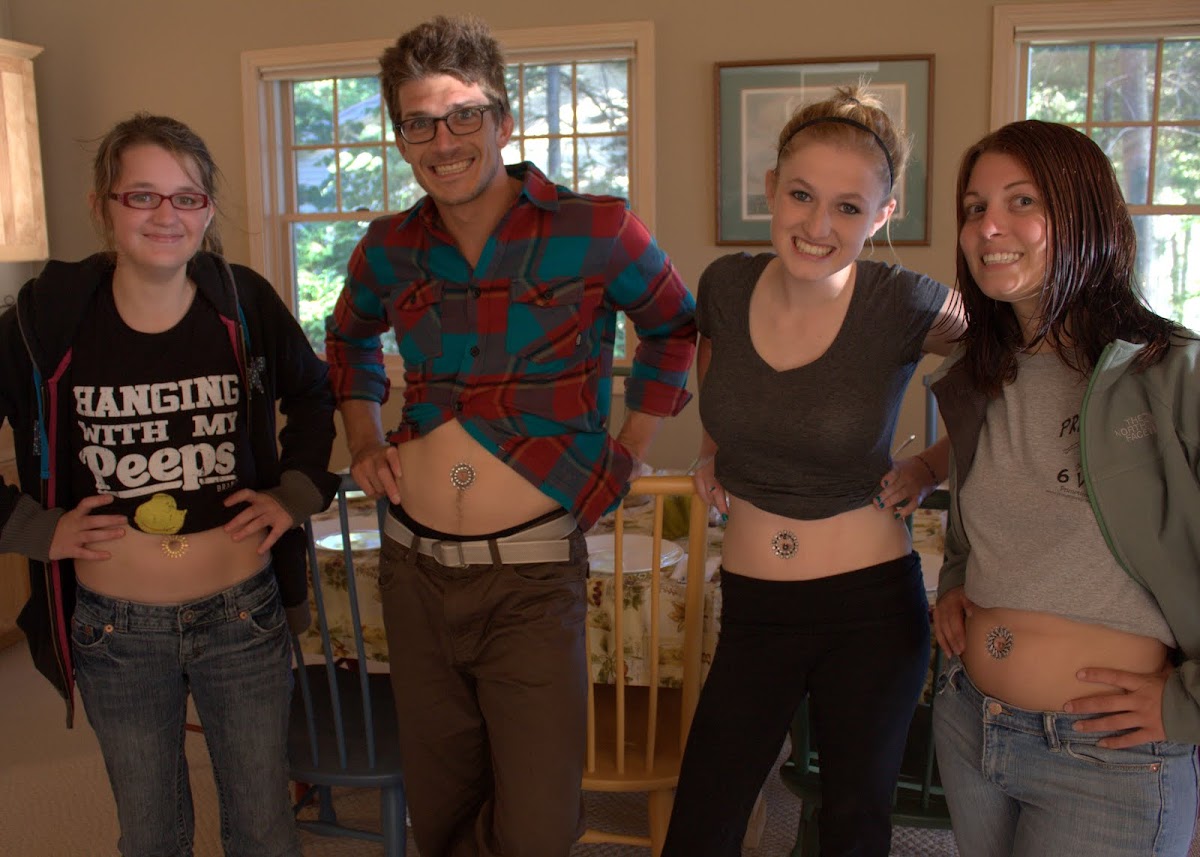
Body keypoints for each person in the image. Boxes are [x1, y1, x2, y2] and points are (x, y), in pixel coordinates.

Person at [323, 14, 697, 857]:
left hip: (531, 575)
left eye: (463, 115)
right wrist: (363, 437)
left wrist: (630, 447)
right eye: (419, 123)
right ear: (401, 137)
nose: (443, 140)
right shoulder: (388, 249)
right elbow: (346, 341)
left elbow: (675, 324)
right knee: (443, 807)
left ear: (503, 119)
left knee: (537, 823)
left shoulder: (597, 228)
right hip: (413, 569)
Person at [0, 113, 339, 856]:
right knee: (151, 835)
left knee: (264, 828)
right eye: (142, 195)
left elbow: (315, 393)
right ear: (103, 205)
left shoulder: (244, 303)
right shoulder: (42, 322)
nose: (166, 215)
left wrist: (294, 494)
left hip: (243, 617)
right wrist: (34, 528)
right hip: (115, 631)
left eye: (187, 197)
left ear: (209, 209)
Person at [661, 85, 966, 856]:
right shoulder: (725, 284)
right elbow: (714, 360)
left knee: (852, 829)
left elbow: (1008, 365)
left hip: (870, 610)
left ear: (882, 215)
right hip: (754, 605)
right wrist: (711, 448)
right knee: (700, 824)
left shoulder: (903, 301)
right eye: (801, 195)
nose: (818, 225)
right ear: (771, 188)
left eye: (847, 207)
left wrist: (931, 465)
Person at [930, 119, 1200, 856]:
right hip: (971, 722)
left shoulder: (1170, 373)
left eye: (1021, 201)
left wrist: (1188, 704)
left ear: (1085, 213)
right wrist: (956, 581)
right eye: (975, 207)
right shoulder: (978, 379)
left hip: (1107, 759)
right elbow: (980, 523)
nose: (989, 227)